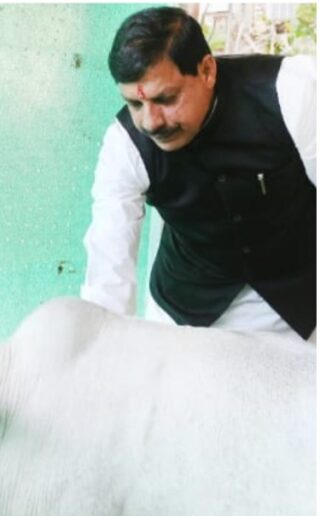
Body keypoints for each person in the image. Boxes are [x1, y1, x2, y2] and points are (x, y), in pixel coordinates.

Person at [81, 6, 316, 341]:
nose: (150, 122)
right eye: (135, 104)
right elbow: (108, 268)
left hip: (301, 302)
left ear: (207, 70)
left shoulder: (294, 92)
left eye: (166, 98)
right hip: (183, 309)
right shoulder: (125, 146)